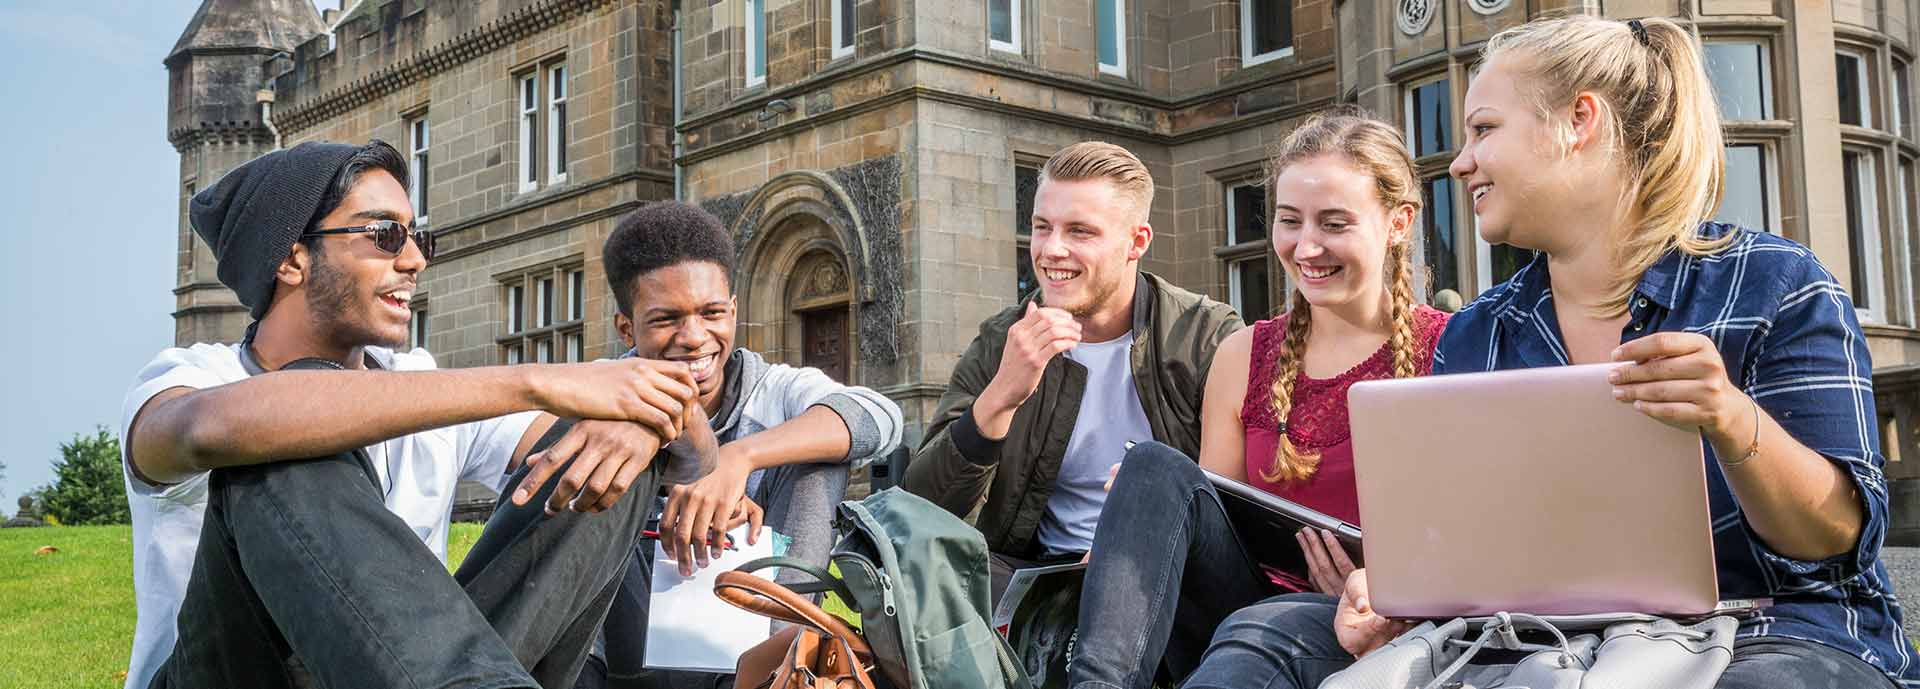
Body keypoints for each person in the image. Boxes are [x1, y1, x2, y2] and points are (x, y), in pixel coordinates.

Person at [1178, 16, 1920, 689]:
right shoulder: (1481, 333)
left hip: (1768, 635)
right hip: (1537, 641)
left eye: (1484, 130)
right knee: (1267, 632)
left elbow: (1835, 538)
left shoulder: (1774, 285)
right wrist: (1392, 602)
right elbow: (1463, 561)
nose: (1461, 163)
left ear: (1580, 122)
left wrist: (1733, 420)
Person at [121, 141, 704, 689]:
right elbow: (206, 430)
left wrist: (636, 419)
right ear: (292, 259)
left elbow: (689, 459)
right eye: (385, 234)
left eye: (417, 236)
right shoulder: (194, 378)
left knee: (600, 454)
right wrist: (542, 383)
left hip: (410, 670)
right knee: (284, 436)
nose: (415, 259)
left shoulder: (415, 379)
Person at [1065, 108, 1449, 689]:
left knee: (1258, 636)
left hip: (1372, 622)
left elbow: (1477, 535)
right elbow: (1220, 518)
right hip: (1241, 601)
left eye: (1334, 223)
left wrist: (1384, 588)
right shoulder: (1244, 354)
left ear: (1398, 222)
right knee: (1151, 465)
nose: (1306, 246)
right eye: (1290, 221)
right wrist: (1143, 519)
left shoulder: (1448, 349)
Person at [572, 201, 905, 689]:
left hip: (751, 634)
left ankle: (784, 667)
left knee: (818, 455)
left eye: (711, 313)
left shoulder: (774, 389)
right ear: (627, 328)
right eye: (666, 319)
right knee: (578, 447)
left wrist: (735, 459)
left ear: (733, 310)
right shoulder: (598, 387)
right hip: (627, 646)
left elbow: (880, 419)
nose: (694, 338)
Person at [902, 142, 1242, 599]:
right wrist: (1000, 397)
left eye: (1080, 232)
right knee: (914, 581)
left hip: (1166, 574)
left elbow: (1239, 501)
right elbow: (922, 506)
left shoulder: (1207, 337)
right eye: (1042, 228)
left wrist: (1137, 536)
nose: (1052, 250)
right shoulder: (1003, 337)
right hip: (1034, 573)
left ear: (1136, 242)